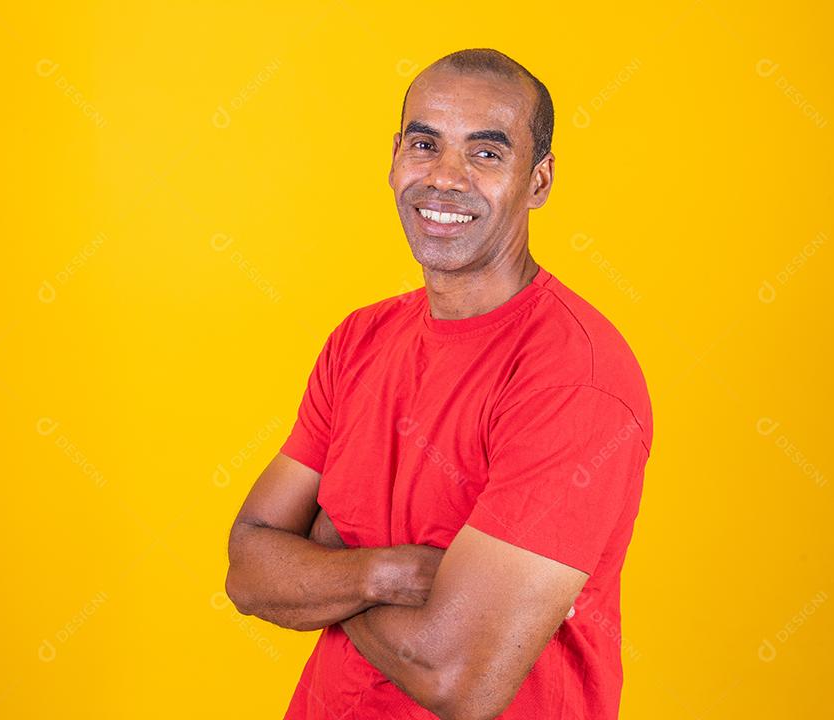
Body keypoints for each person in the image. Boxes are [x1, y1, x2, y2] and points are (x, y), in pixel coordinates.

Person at [225, 47, 653, 720]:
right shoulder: (359, 340)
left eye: (486, 154)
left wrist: (326, 555)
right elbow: (249, 569)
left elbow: (458, 676)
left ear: (538, 182)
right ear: (394, 158)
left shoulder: (572, 380)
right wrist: (389, 573)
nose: (445, 179)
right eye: (425, 145)